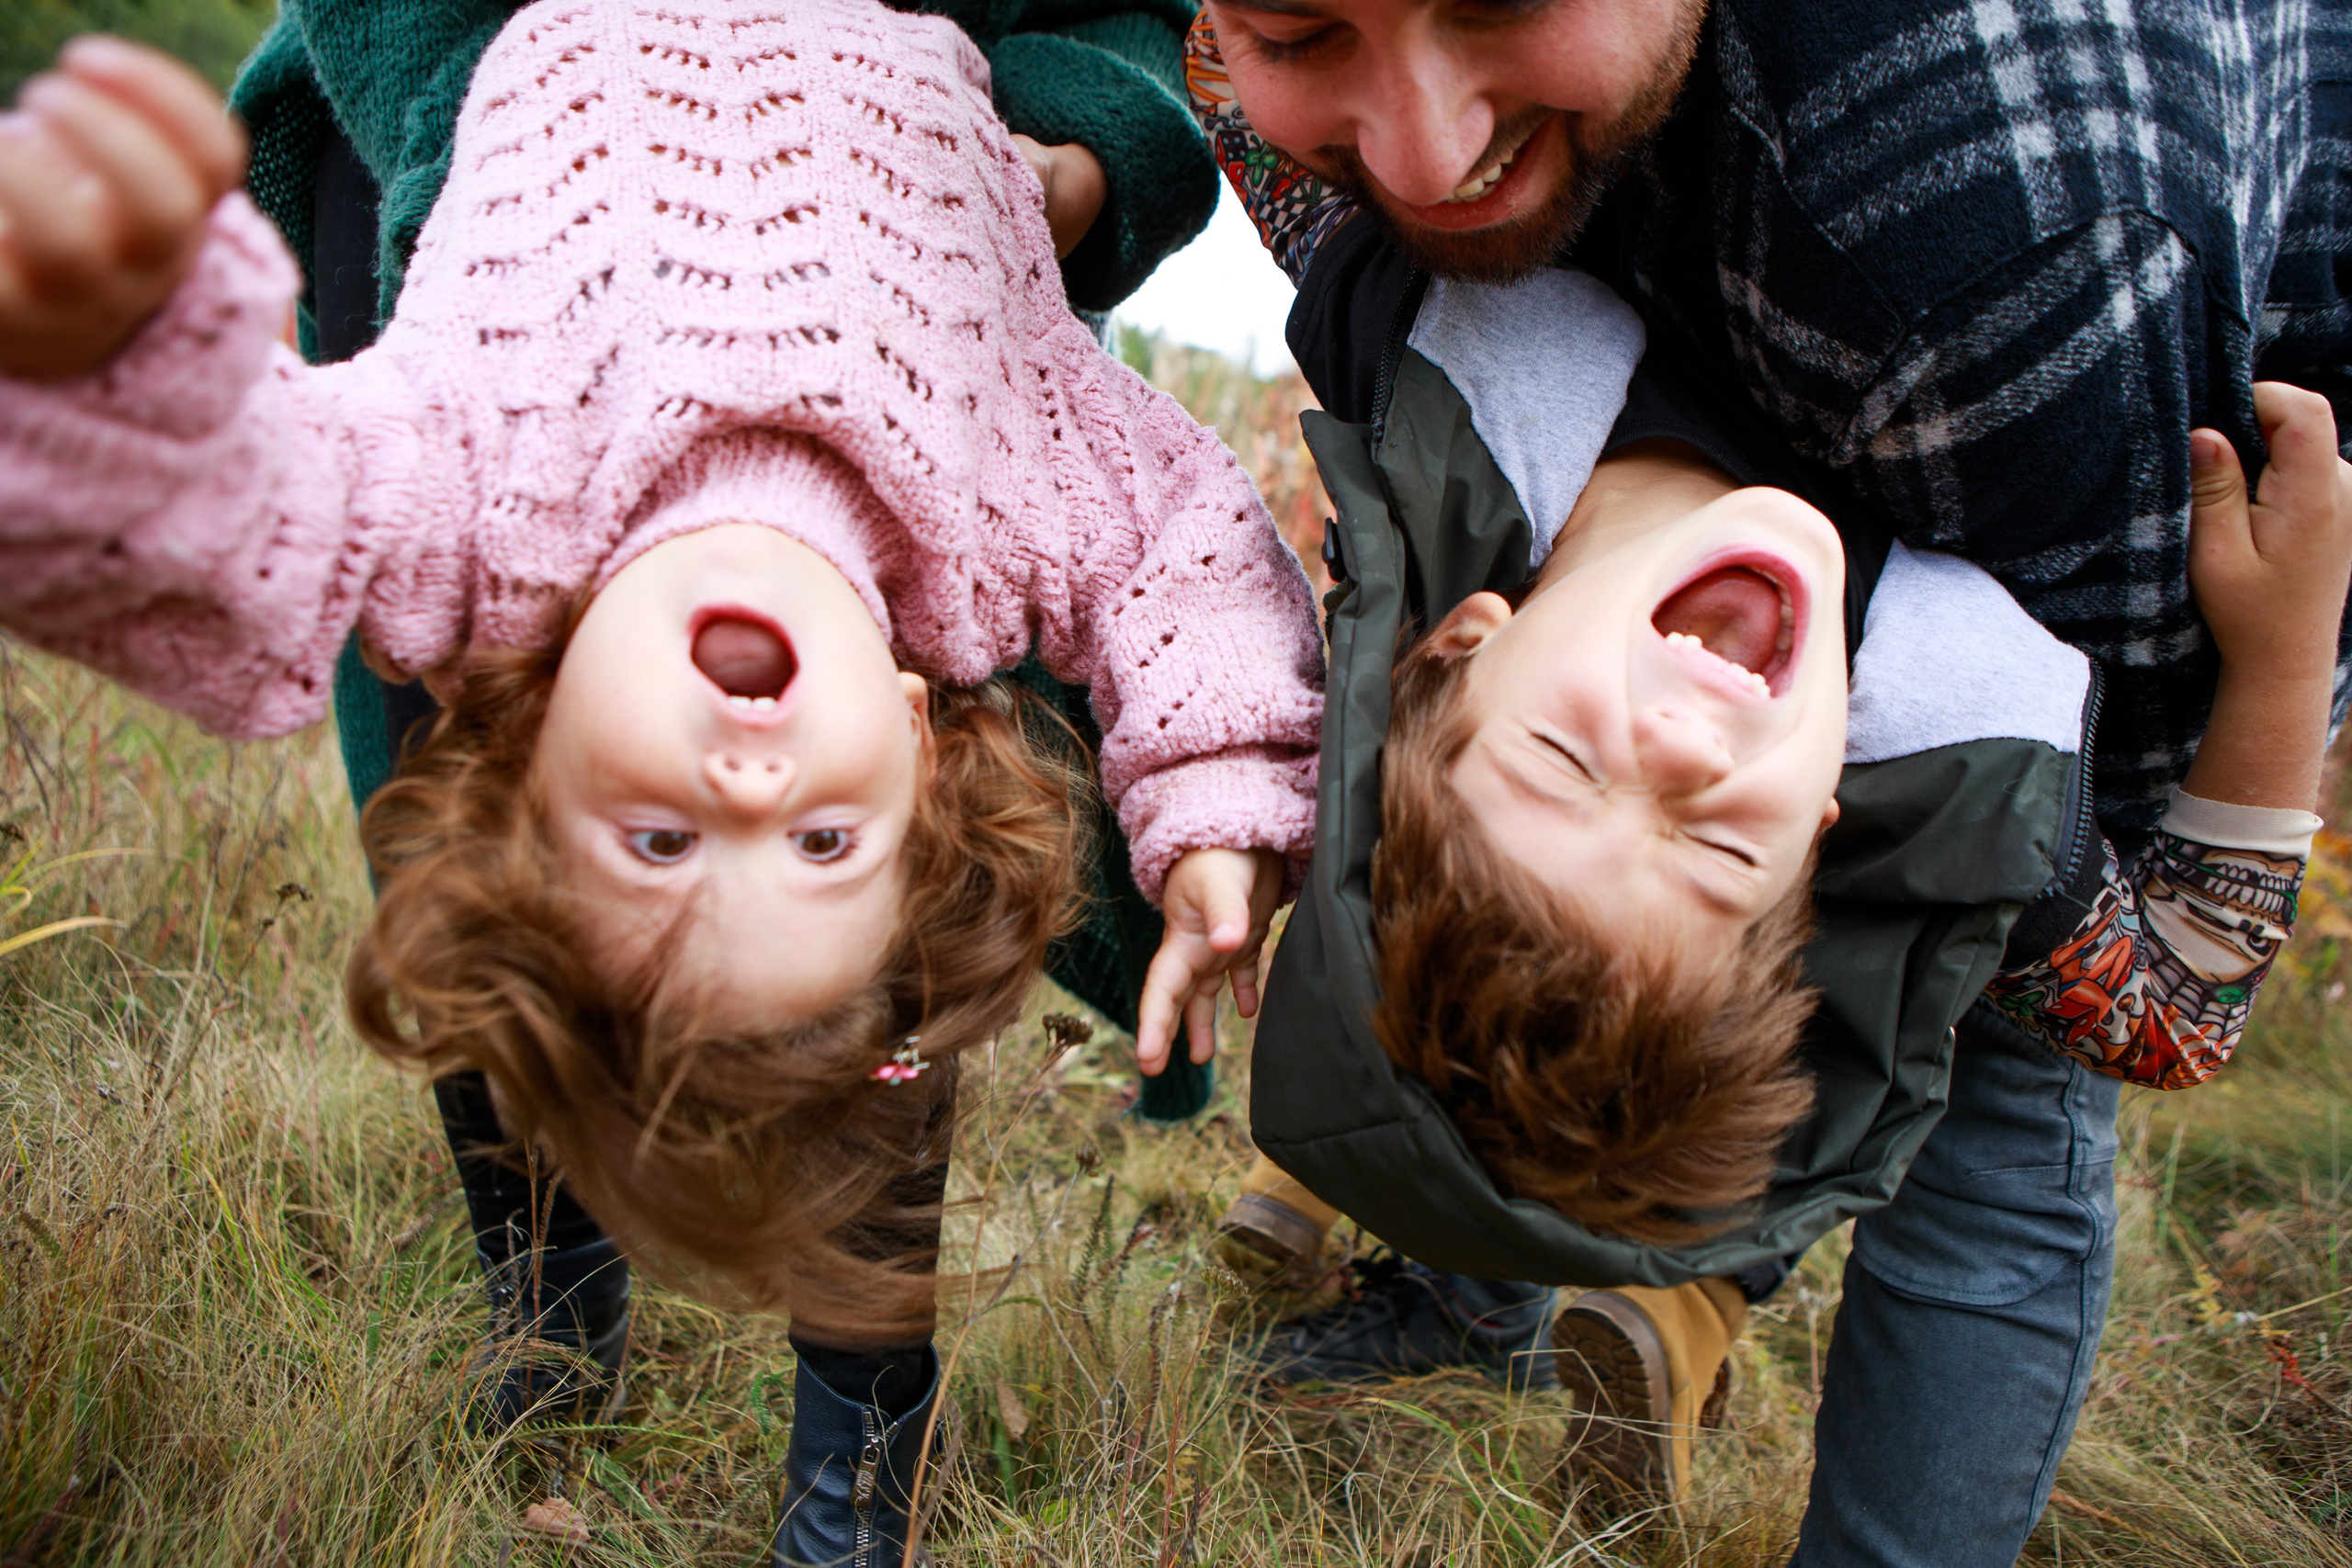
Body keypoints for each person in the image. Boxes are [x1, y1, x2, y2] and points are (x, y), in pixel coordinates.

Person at [0, 13, 1322, 1562]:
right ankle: (731, 1396)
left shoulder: (475, 518)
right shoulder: (991, 505)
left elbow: (245, 512)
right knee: (864, 1036)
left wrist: (103, 351)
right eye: (826, 839)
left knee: (587, 1011)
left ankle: (700, 1391)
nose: (746, 787)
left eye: (655, 838)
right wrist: (1222, 801)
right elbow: (1184, 547)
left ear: (528, 745)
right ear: (911, 726)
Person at [1178, 4, 2352, 1555]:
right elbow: (2178, 1006)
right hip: (2184, 422)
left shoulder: (1438, 373)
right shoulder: (1946, 703)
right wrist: (2276, 673)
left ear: (1460, 647)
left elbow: (1244, 90)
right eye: (1717, 844)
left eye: (1566, 761)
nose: (1677, 750)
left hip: (2036, 294)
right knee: (2004, 1069)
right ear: (1825, 837)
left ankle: (1562, 1295)